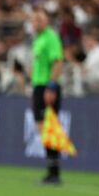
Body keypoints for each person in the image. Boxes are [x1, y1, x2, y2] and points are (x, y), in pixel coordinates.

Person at [29, 9, 64, 184]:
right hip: (38, 86)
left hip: (47, 87)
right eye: (34, 20)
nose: (36, 22)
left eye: (39, 19)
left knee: (48, 128)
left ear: (46, 21)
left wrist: (51, 87)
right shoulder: (38, 39)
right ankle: (52, 170)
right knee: (43, 128)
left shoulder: (51, 37)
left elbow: (58, 62)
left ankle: (54, 172)